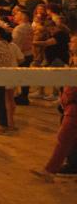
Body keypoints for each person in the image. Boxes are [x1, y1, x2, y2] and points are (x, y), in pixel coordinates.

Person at [32, 35, 77, 181]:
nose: (70, 43)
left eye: (73, 42)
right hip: (69, 105)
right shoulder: (73, 59)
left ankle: (49, 171)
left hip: (73, 107)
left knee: (63, 139)